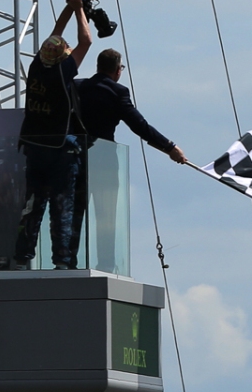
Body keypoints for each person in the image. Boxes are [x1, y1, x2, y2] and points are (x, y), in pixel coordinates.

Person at [74, 48, 186, 262]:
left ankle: (68, 260)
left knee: (75, 212)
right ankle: (106, 262)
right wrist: (170, 148)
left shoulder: (77, 87)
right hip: (105, 162)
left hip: (76, 158)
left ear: (98, 66)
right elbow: (140, 126)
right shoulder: (117, 92)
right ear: (118, 70)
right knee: (106, 216)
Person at [12, 0, 94, 271]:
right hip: (60, 150)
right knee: (62, 207)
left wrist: (70, 7)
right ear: (62, 57)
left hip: (34, 148)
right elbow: (87, 41)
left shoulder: (36, 66)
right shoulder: (63, 72)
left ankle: (22, 256)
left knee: (32, 204)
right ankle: (62, 261)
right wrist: (80, 8)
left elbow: (55, 33)